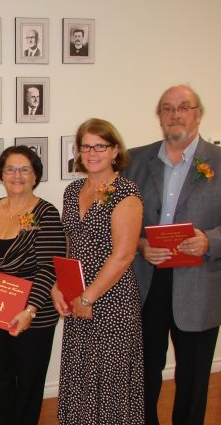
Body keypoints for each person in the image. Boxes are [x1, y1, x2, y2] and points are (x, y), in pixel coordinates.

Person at [123, 85, 221, 425]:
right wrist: (140, 244)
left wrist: (210, 240)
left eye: (183, 107)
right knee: (144, 373)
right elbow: (119, 221)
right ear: (159, 116)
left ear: (198, 113)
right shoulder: (135, 160)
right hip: (147, 282)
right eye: (167, 108)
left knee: (193, 379)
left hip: (200, 285)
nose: (175, 114)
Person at [52, 118, 144, 425]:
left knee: (110, 382)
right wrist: (58, 287)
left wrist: (88, 298)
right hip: (77, 298)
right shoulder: (73, 189)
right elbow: (69, 244)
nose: (92, 153)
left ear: (115, 150)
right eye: (86, 146)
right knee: (80, 376)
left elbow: (124, 255)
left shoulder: (126, 193)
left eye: (100, 146)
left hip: (112, 302)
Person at [0, 145, 66, 425]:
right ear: (1, 174)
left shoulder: (46, 213)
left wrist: (31, 310)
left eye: (25, 169)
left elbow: (48, 267)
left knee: (28, 384)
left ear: (35, 175)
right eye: (10, 169)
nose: (17, 175)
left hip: (33, 316)